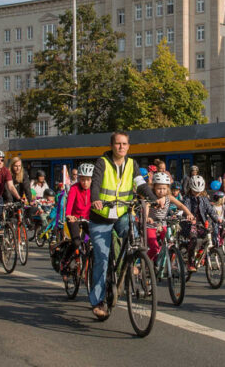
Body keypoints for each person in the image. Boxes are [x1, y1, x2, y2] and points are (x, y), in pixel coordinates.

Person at [88, 131, 140, 320]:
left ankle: (131, 264)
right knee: (102, 258)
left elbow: (140, 184)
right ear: (112, 145)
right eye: (118, 143)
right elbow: (95, 184)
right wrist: (95, 199)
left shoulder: (132, 164)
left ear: (128, 146)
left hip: (121, 214)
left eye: (124, 144)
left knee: (134, 236)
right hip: (101, 217)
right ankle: (98, 301)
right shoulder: (102, 163)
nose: (121, 147)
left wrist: (154, 197)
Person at [143, 171, 193, 262]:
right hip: (151, 225)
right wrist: (147, 217)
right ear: (154, 187)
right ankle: (146, 263)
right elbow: (147, 206)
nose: (161, 191)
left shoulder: (169, 197)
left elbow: (181, 205)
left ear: (168, 188)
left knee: (166, 244)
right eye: (159, 188)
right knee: (154, 248)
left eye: (164, 188)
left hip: (163, 224)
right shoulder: (152, 197)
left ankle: (162, 263)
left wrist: (189, 213)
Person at [180, 175, 222, 272]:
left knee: (206, 238)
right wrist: (189, 216)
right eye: (195, 191)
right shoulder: (187, 198)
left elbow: (210, 210)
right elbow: (185, 207)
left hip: (201, 223)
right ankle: (190, 261)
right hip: (190, 224)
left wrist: (217, 218)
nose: (197, 193)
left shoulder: (204, 199)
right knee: (194, 239)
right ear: (190, 188)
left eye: (199, 191)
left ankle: (201, 256)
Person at [61, 163, 96, 268]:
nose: (85, 183)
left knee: (96, 240)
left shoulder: (94, 189)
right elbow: (70, 203)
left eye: (88, 180)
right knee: (76, 242)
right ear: (79, 179)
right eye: (82, 179)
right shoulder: (74, 188)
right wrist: (68, 215)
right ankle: (65, 260)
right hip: (74, 218)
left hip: (88, 219)